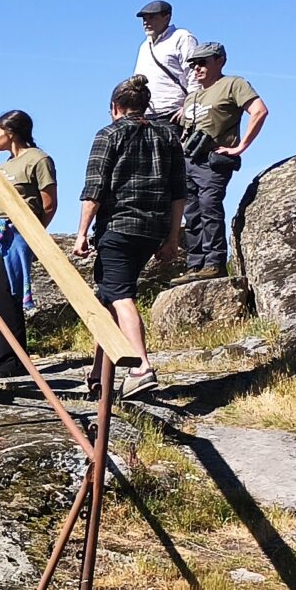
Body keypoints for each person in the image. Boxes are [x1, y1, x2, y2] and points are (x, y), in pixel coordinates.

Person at [75, 75, 185, 394]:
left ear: (115, 107)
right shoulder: (167, 134)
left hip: (118, 227)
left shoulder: (108, 134)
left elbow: (94, 188)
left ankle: (141, 366)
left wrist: (82, 233)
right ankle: (99, 373)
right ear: (145, 105)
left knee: (121, 296)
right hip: (154, 229)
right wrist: (173, 237)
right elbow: (179, 191)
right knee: (108, 296)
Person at [0, 110, 55, 378]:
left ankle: (11, 360)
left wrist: (32, 234)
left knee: (6, 294)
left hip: (13, 235)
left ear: (11, 132)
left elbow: (48, 202)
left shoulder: (38, 159)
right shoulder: (5, 164)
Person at [179, 42, 269, 280]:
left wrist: (241, 147)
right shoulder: (192, 97)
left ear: (219, 61)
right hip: (189, 161)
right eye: (193, 64)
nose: (197, 68)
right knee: (192, 213)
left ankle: (215, 263)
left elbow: (259, 111)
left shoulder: (233, 85)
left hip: (213, 161)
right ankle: (195, 265)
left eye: (202, 63)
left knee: (209, 207)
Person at [134, 0, 199, 123]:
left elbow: (194, 75)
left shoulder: (182, 37)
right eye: (144, 19)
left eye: (151, 17)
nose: (146, 23)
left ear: (167, 18)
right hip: (146, 116)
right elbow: (138, 80)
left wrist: (189, 107)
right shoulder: (144, 46)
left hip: (173, 113)